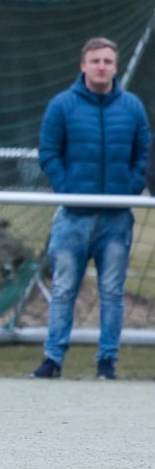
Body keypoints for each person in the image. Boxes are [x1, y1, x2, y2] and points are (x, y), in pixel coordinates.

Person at [33, 36, 150, 380]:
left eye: (108, 61)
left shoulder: (132, 107)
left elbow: (143, 153)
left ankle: (106, 363)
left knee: (112, 292)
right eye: (96, 61)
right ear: (83, 65)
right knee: (64, 289)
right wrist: (68, 190)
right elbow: (49, 152)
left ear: (115, 66)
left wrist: (129, 189)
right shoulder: (62, 106)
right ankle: (52, 359)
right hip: (73, 218)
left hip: (117, 220)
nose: (102, 67)